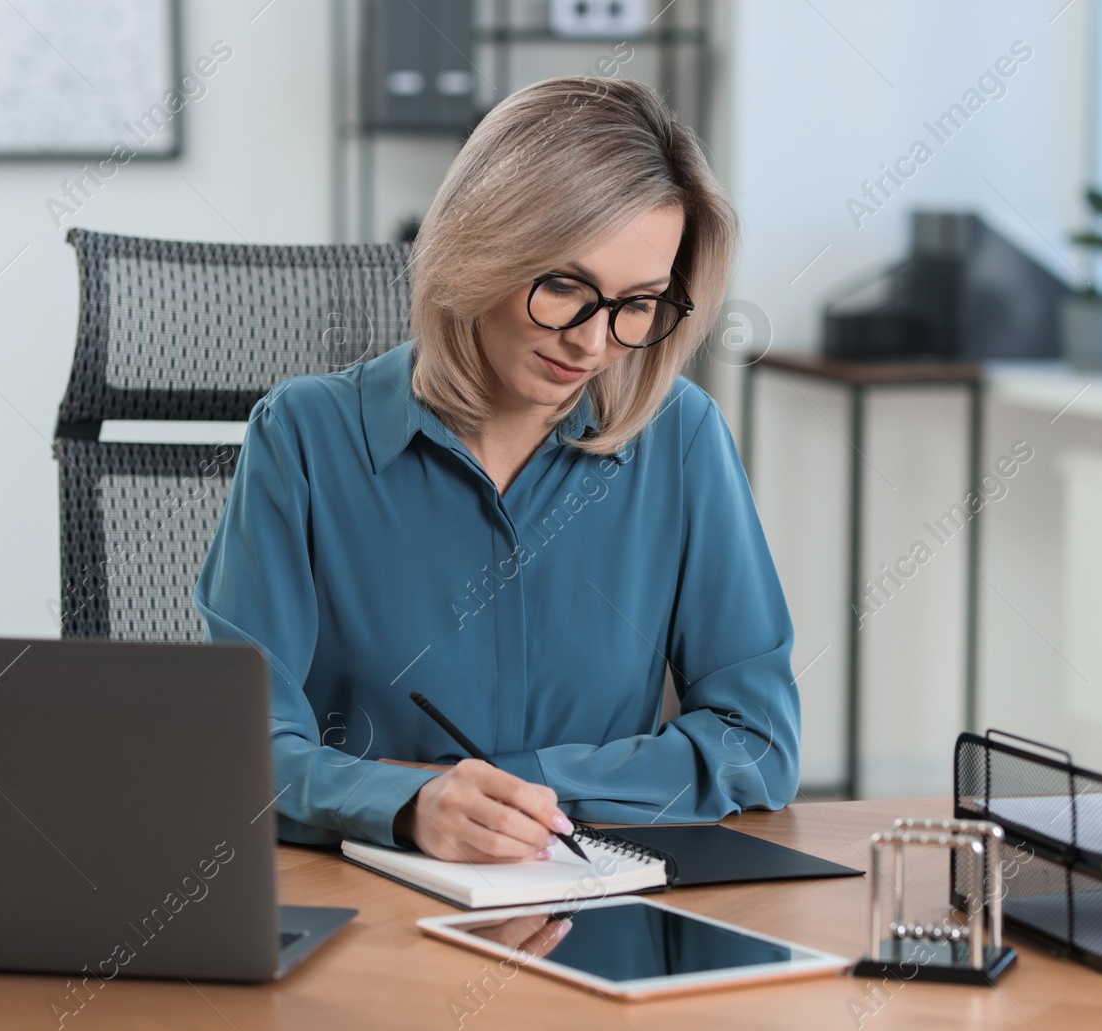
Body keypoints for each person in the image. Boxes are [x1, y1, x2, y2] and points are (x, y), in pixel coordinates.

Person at [195, 75, 799, 864]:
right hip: (368, 910)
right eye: (564, 288)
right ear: (481, 244)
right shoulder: (304, 437)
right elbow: (240, 749)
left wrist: (498, 790)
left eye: (637, 304)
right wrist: (409, 807)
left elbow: (756, 742)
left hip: (592, 904)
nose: (593, 343)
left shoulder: (681, 439)